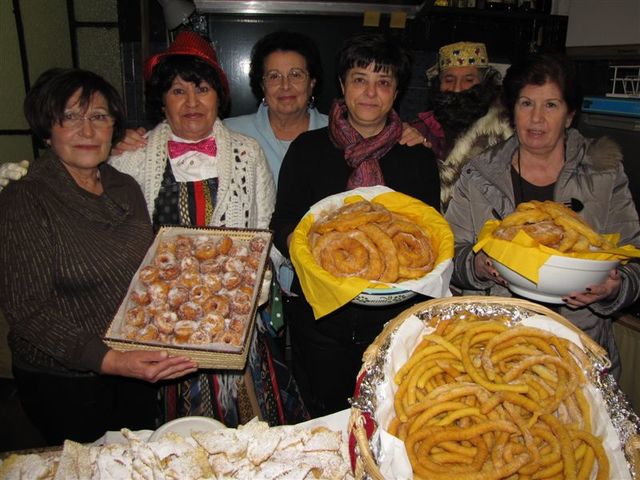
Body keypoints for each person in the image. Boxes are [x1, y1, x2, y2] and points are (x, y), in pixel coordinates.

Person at [108, 30, 309, 427]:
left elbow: (265, 228)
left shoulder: (246, 153)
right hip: (165, 326)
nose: (192, 102)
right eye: (178, 91)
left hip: (235, 326)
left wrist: (253, 283)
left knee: (250, 429)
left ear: (219, 95)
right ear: (162, 101)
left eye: (202, 89)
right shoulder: (132, 160)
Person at [0, 68, 197, 446]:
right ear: (46, 129)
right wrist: (109, 359)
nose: (87, 130)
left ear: (114, 127)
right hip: (65, 381)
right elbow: (27, 310)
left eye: (99, 116)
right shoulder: (24, 200)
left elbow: (149, 269)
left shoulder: (124, 186)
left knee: (136, 456)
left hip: (132, 367)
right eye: (70, 117)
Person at [270, 33, 441, 417]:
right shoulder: (307, 149)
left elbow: (430, 236)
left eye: (383, 82)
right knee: (322, 415)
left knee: (387, 415)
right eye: (360, 79)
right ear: (343, 85)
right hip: (319, 318)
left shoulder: (416, 158)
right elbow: (282, 220)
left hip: (392, 319)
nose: (370, 92)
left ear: (396, 92)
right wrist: (302, 245)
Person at [445, 52, 640, 379]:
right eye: (526, 104)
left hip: (578, 350)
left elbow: (634, 264)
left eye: (550, 105)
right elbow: (451, 254)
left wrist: (613, 290)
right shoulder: (478, 175)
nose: (536, 118)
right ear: (512, 111)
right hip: (494, 347)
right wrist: (477, 265)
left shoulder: (604, 174)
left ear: (569, 114)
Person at [411, 41, 513, 211]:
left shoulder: (505, 132)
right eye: (449, 79)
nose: (457, 89)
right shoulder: (418, 130)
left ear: (484, 83)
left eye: (468, 80)